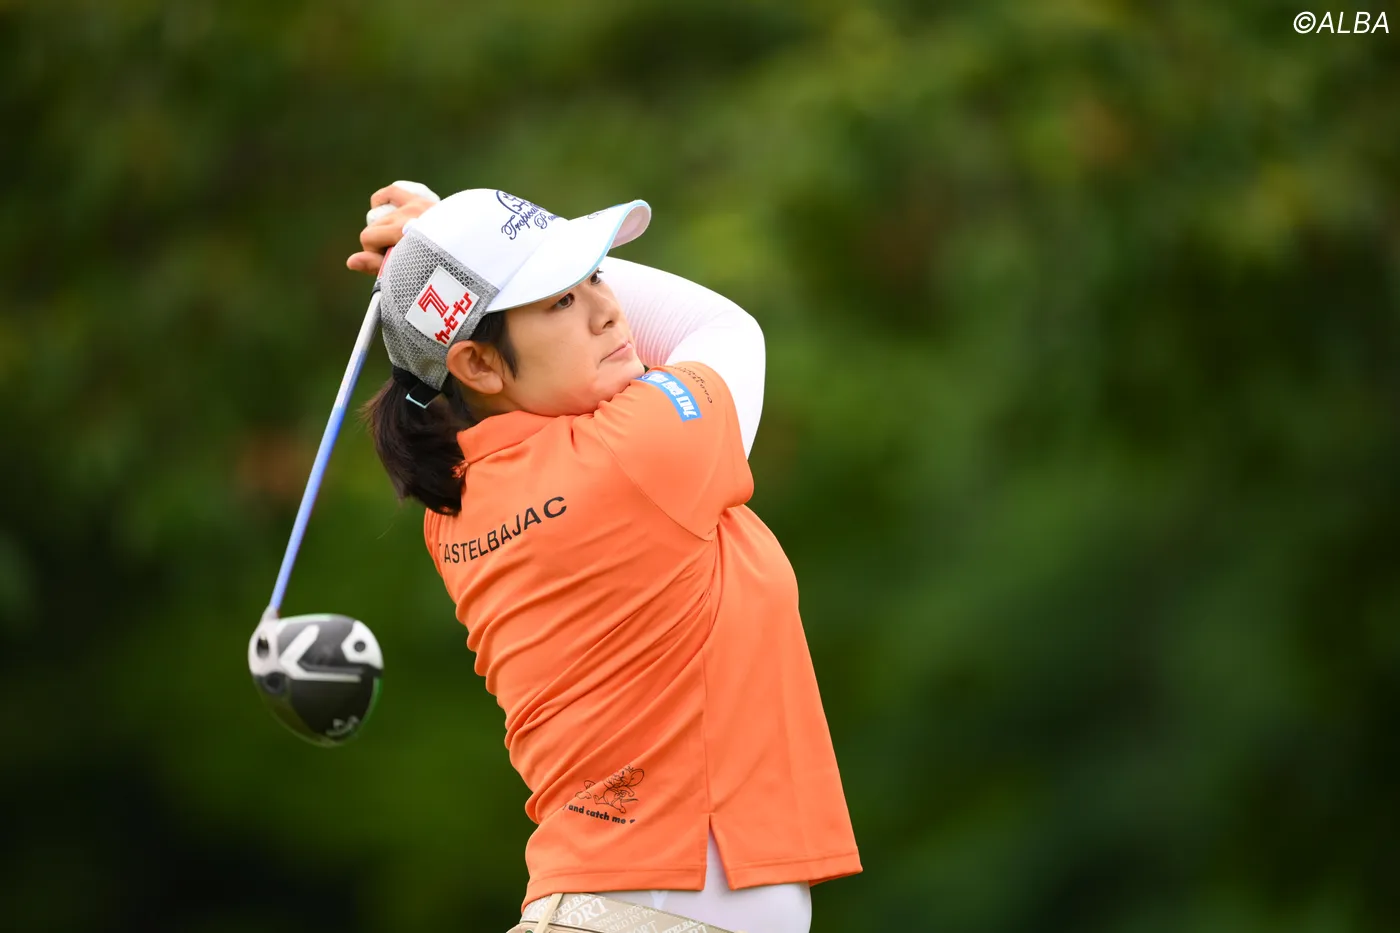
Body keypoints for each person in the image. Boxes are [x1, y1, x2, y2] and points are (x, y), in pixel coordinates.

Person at [347, 183, 860, 933]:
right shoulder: (635, 452)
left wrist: (451, 254)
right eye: (560, 298)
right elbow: (721, 328)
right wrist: (445, 241)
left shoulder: (458, 502)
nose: (608, 308)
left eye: (595, 275)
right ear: (479, 364)